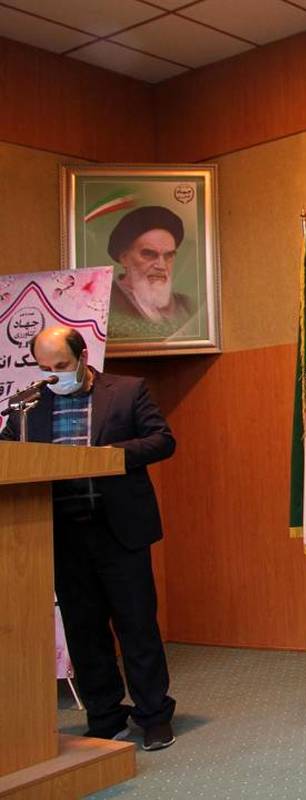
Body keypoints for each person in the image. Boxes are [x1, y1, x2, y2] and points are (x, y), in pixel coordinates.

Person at [0, 326, 177, 750]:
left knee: (136, 626)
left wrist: (111, 456)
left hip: (118, 528)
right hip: (62, 531)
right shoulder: (28, 405)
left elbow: (162, 440)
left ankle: (153, 715)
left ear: (82, 357)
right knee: (84, 631)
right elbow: (7, 452)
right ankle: (105, 716)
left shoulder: (127, 391)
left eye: (61, 365)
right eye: (45, 368)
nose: (54, 376)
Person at [106, 205, 195, 338]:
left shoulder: (186, 306)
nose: (161, 266)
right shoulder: (104, 305)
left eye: (169, 256)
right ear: (124, 258)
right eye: (149, 254)